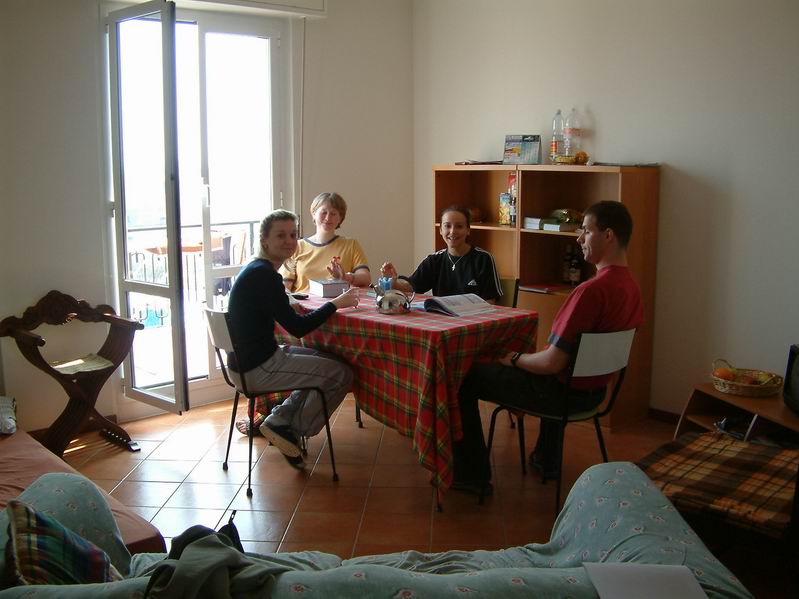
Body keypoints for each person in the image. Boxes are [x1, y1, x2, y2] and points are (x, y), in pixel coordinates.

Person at [451, 201, 644, 494]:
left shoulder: (590, 292)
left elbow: (551, 364)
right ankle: (546, 458)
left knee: (464, 374)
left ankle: (470, 475)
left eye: (586, 231)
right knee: (557, 369)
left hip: (560, 395)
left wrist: (513, 358)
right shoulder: (632, 287)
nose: (579, 239)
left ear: (608, 236)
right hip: (596, 392)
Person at [226, 209, 359, 467]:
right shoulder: (266, 275)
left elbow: (272, 307)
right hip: (258, 368)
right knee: (342, 374)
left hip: (246, 362)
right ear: (265, 240)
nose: (289, 241)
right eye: (281, 235)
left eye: (292, 235)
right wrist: (336, 303)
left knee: (329, 360)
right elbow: (298, 328)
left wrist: (286, 301)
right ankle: (291, 431)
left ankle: (280, 421)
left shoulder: (257, 269)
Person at [380, 205, 502, 302]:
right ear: (440, 230)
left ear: (468, 230)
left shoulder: (483, 259)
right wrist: (393, 281)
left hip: (474, 320)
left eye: (459, 226)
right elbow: (412, 287)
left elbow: (490, 302)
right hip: (443, 318)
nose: (452, 231)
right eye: (447, 226)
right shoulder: (434, 260)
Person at [280, 192, 371, 292]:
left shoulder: (351, 245)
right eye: (324, 212)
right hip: (302, 301)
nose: (328, 218)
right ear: (314, 213)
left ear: (340, 218)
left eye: (333, 214)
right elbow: (284, 286)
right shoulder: (296, 246)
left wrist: (345, 277)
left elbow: (366, 278)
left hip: (340, 301)